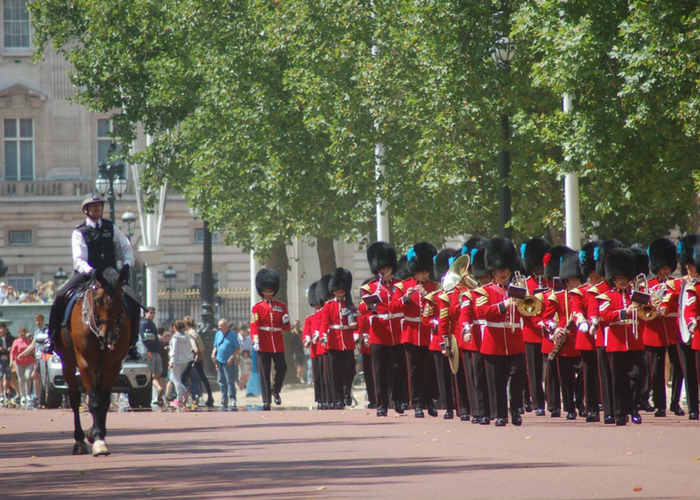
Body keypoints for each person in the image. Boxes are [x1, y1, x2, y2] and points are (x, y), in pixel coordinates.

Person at [43, 193, 141, 359]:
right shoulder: (79, 232)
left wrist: (126, 265)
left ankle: (132, 344)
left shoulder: (111, 227)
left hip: (109, 274)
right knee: (60, 296)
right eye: (93, 206)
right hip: (87, 274)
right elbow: (78, 259)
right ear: (86, 211)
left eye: (99, 206)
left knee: (134, 300)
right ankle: (51, 338)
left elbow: (126, 248)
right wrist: (91, 271)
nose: (97, 209)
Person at [472, 237, 526, 427]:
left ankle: (516, 409)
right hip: (494, 341)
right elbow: (481, 312)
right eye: (498, 270)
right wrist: (503, 306)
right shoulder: (484, 291)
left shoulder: (519, 288)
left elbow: (528, 311)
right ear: (493, 271)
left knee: (519, 374)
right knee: (497, 381)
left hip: (515, 339)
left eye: (504, 269)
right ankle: (501, 414)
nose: (502, 273)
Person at [596, 247, 646, 426]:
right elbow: (606, 315)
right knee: (618, 381)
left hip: (635, 341)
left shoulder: (637, 294)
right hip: (616, 343)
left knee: (639, 374)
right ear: (613, 278)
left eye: (625, 277)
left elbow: (649, 313)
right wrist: (624, 312)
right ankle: (620, 413)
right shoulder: (606, 297)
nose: (622, 280)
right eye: (619, 278)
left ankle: (633, 407)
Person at [391, 242, 439, 418]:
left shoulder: (434, 287)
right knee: (414, 370)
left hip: (429, 333)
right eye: (421, 271)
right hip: (411, 333)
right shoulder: (403, 286)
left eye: (426, 271)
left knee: (430, 369)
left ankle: (430, 402)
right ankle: (417, 403)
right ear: (414, 270)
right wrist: (406, 298)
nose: (424, 274)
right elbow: (393, 307)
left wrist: (429, 297)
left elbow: (441, 307)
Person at [643, 238, 684, 417]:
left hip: (673, 330)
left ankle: (675, 402)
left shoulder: (678, 284)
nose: (666, 270)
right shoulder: (648, 286)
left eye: (668, 267)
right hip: (655, 331)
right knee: (656, 371)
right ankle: (660, 404)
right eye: (663, 267)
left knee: (679, 368)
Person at [519, 238, 551, 416]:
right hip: (531, 331)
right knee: (533, 370)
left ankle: (549, 400)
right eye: (537, 268)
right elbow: (520, 308)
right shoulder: (524, 284)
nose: (540, 271)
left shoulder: (550, 283)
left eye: (542, 267)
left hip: (548, 332)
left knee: (551, 371)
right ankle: (536, 402)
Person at [319, 267, 359, 409]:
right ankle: (338, 399)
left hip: (347, 342)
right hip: (333, 341)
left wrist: (355, 330)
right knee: (335, 373)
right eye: (338, 289)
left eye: (343, 289)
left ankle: (347, 390)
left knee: (350, 369)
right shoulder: (329, 306)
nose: (340, 291)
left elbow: (356, 322)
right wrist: (323, 336)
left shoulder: (350, 305)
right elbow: (325, 322)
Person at [251, 269, 290, 410]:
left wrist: (285, 322)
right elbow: (254, 325)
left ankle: (276, 389)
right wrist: (255, 340)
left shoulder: (281, 306)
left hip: (277, 343)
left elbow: (286, 328)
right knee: (265, 372)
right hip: (263, 343)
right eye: (266, 290)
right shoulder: (257, 307)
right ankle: (266, 400)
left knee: (282, 368)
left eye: (270, 290)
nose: (268, 292)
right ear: (262, 291)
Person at [183, 316, 214, 407]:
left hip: (193, 359)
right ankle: (209, 396)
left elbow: (196, 347)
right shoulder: (195, 333)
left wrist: (196, 355)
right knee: (202, 378)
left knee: (183, 377)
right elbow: (201, 347)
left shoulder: (190, 333)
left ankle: (186, 395)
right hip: (197, 359)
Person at [212, 318, 241, 410]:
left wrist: (232, 357)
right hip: (219, 360)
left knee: (230, 380)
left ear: (226, 326)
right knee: (221, 380)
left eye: (221, 326)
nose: (219, 328)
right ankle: (224, 398)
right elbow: (216, 346)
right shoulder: (218, 334)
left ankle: (232, 398)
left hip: (228, 361)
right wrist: (213, 354)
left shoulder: (232, 335)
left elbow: (238, 348)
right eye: (218, 326)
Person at [139, 307, 165, 407]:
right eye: (151, 313)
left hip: (155, 351)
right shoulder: (144, 323)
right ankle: (157, 387)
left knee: (159, 371)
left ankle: (149, 382)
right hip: (149, 351)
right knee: (151, 371)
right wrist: (147, 351)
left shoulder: (152, 323)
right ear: (146, 313)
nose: (153, 315)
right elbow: (144, 338)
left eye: (154, 313)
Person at [168, 319, 194, 409]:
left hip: (177, 361)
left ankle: (179, 398)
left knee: (176, 380)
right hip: (185, 360)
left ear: (175, 327)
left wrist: (172, 362)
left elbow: (175, 351)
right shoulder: (186, 336)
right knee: (173, 378)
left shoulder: (175, 337)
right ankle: (184, 391)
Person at [10, 326, 34, 407]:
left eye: (24, 332)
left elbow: (33, 350)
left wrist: (27, 354)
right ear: (18, 333)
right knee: (21, 379)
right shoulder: (16, 342)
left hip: (29, 362)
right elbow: (12, 352)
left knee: (27, 377)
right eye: (21, 332)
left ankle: (28, 394)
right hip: (18, 363)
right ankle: (22, 396)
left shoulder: (30, 341)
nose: (22, 333)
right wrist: (11, 361)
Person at [0, 322, 16, 404]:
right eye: (1, 328)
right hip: (0, 360)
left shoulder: (11, 338)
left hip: (8, 360)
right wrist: (6, 350)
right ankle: (1, 394)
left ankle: (6, 392)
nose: (2, 330)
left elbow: (11, 349)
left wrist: (3, 350)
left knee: (8, 377)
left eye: (3, 328)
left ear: (6, 329)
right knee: (1, 376)